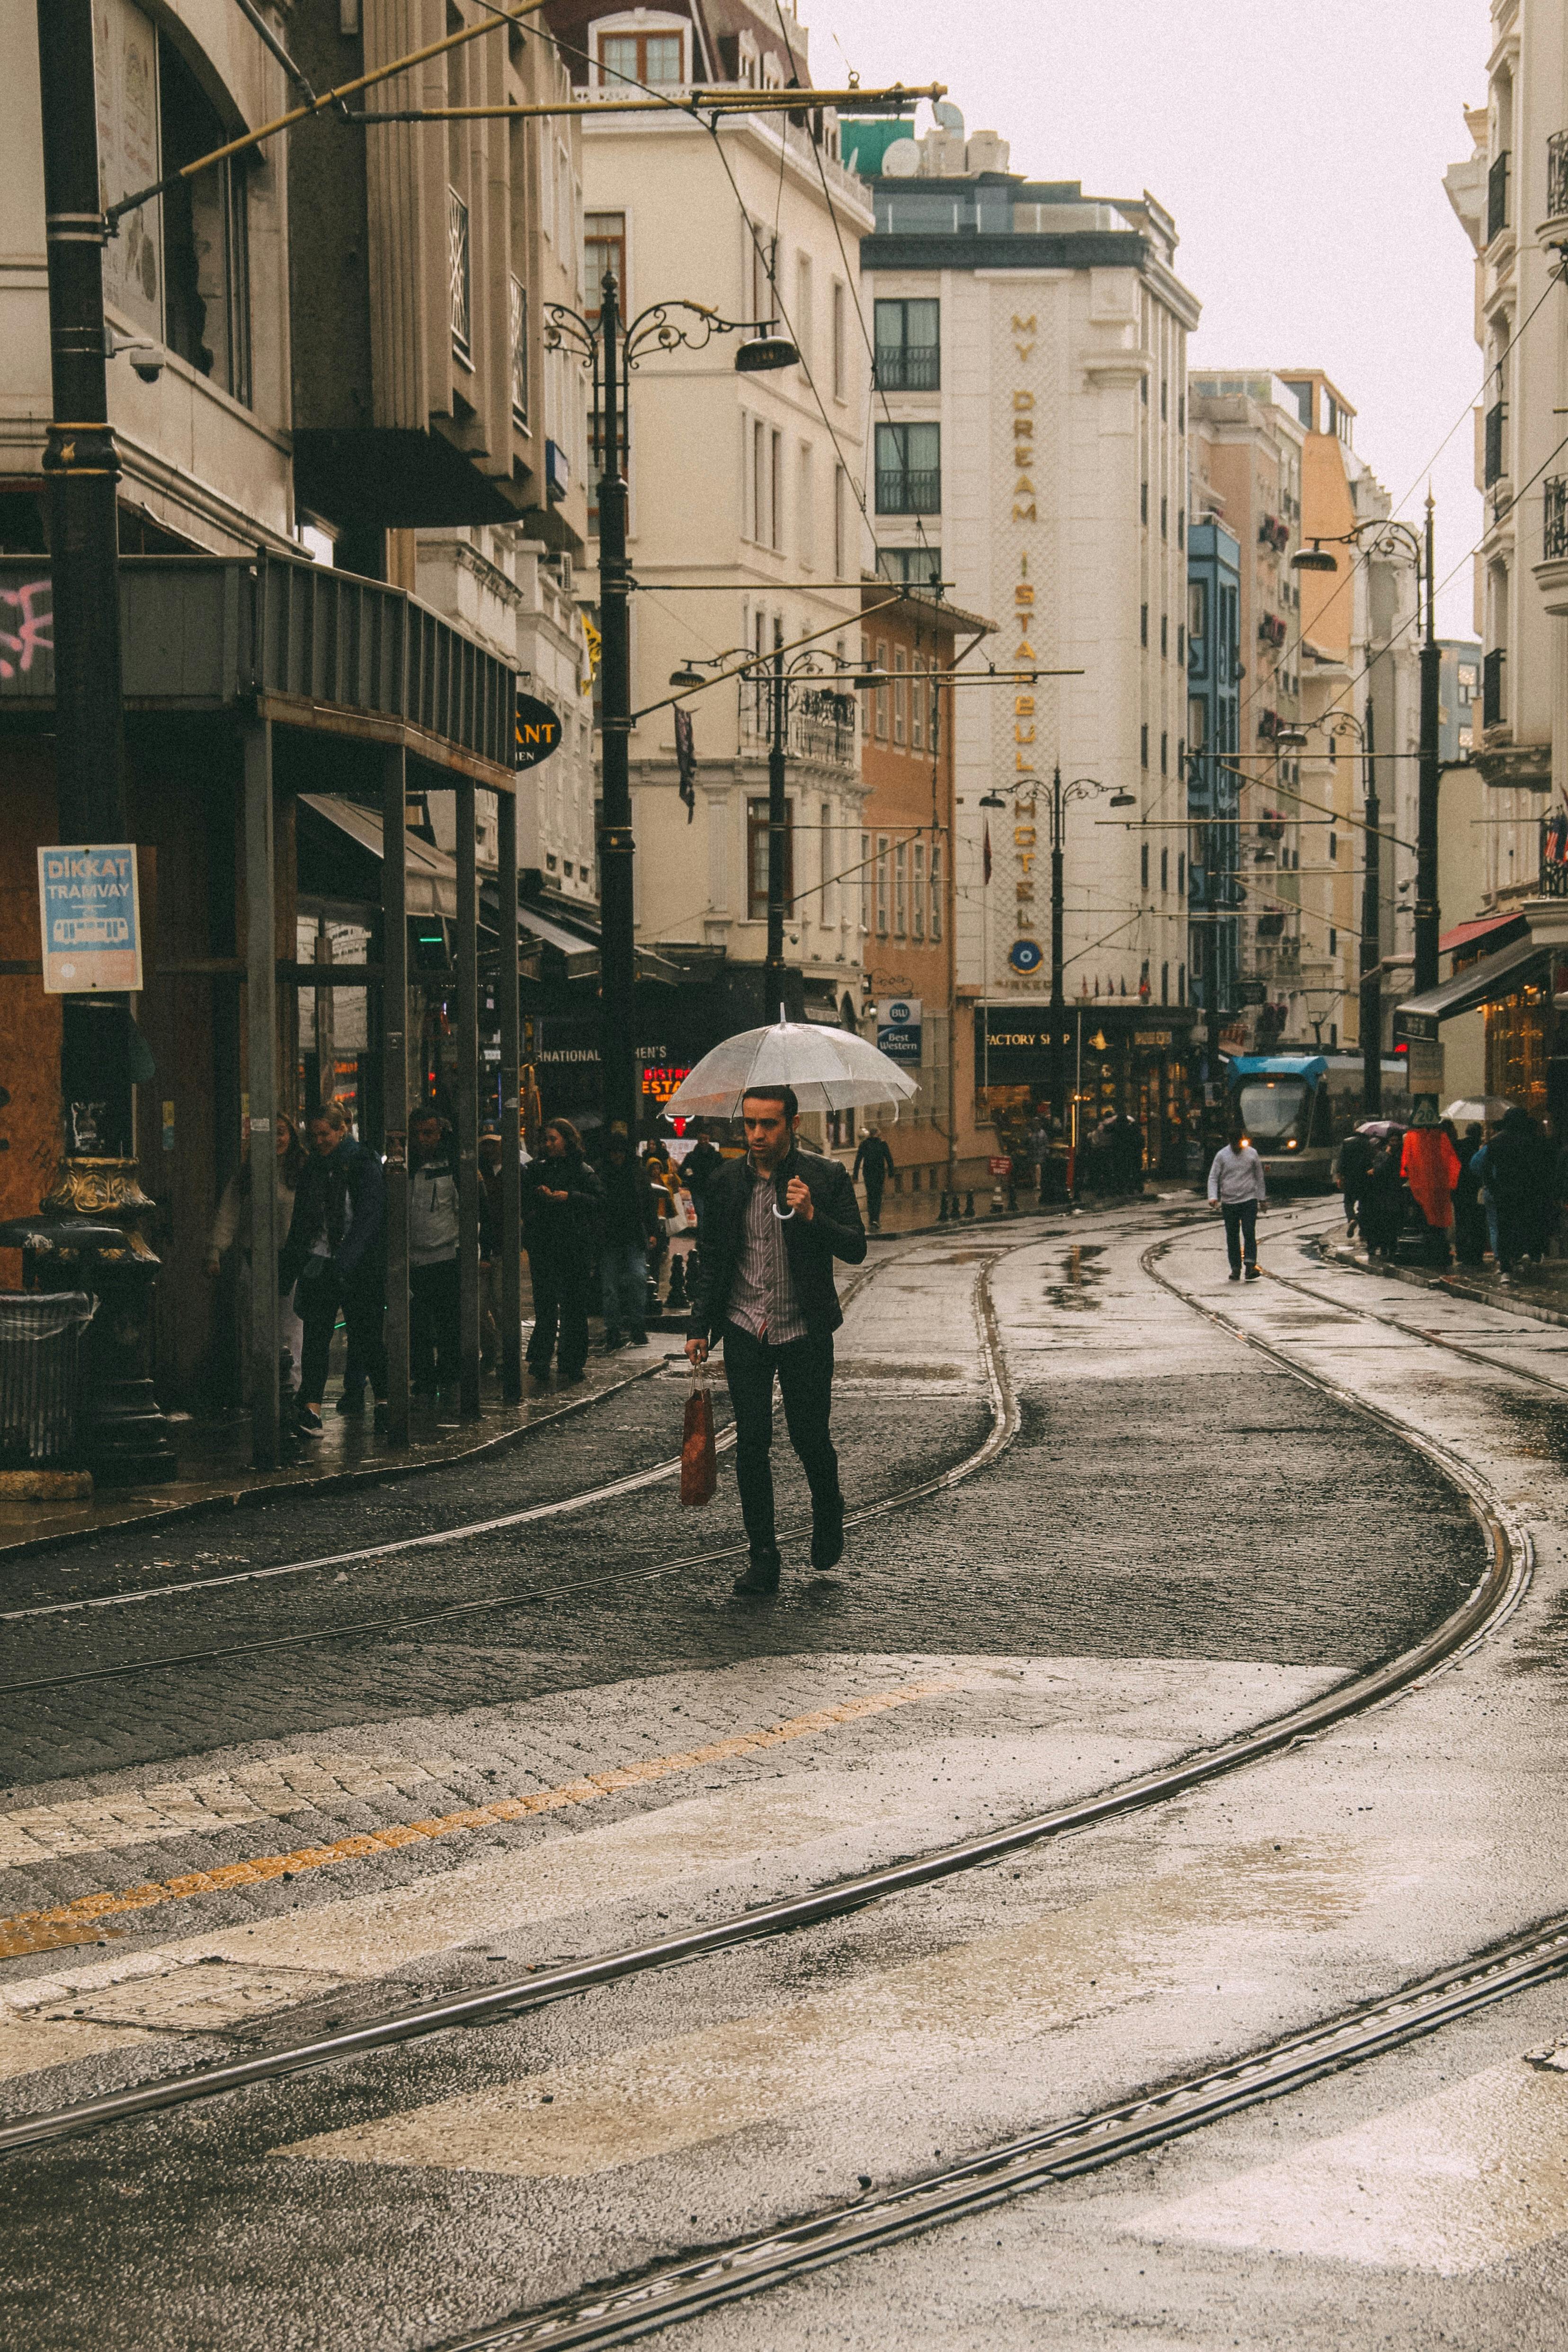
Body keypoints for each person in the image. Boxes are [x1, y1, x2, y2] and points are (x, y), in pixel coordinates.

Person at [686, 1084, 866, 1594]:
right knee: (752, 1445)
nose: (757, 1134)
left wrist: (813, 1215)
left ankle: (827, 1509)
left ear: (793, 1123)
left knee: (810, 1437)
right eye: (750, 1124)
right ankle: (763, 1555)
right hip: (746, 1327)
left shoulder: (825, 1177)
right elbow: (713, 1260)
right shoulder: (725, 1181)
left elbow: (855, 1248)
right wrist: (699, 1326)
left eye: (768, 1124)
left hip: (804, 1329)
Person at [279, 1100, 388, 1434]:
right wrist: (293, 1262)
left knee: (366, 1336)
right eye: (314, 1135)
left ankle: (385, 1399)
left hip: (357, 1265)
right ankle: (311, 1406)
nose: (319, 1141)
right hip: (321, 1261)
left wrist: (349, 1260)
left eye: (325, 1134)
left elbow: (369, 1217)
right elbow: (302, 1219)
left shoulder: (362, 1163)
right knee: (316, 1337)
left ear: (343, 1130)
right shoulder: (314, 1167)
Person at [206, 1113, 307, 1396]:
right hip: (255, 1257)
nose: (276, 1140)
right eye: (269, 1134)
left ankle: (291, 1389)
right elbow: (229, 1212)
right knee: (256, 1327)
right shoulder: (249, 1172)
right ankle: (258, 1390)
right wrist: (215, 1250)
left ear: (291, 1135)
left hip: (291, 1257)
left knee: (291, 1330)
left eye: (281, 1133)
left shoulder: (302, 1169)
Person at [521, 1118, 602, 1384]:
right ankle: (541, 1358)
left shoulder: (583, 1171)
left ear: (567, 1140)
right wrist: (539, 1196)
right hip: (543, 1245)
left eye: (553, 1139)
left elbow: (599, 1203)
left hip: (574, 1246)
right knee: (545, 1305)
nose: (548, 1144)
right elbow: (523, 1202)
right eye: (545, 1140)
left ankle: (572, 1360)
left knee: (573, 1306)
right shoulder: (535, 1169)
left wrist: (570, 1197)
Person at [407, 1109, 460, 1397]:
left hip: (445, 1253)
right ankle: (424, 1375)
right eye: (417, 1134)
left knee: (448, 1319)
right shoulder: (403, 1163)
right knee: (417, 1322)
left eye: (428, 1133)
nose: (421, 1140)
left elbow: (471, 1208)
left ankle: (450, 1371)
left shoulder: (452, 1164)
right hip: (412, 1256)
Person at [599, 1130, 659, 1349]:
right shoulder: (604, 1173)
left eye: (620, 1152)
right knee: (611, 1286)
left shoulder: (636, 1173)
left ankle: (636, 1325)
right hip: (611, 1237)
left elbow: (648, 1204)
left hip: (632, 1234)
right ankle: (614, 1329)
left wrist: (652, 1231)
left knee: (636, 1280)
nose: (617, 1156)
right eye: (614, 1152)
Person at [1477, 1104, 1544, 1282]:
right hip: (1526, 1191)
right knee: (1525, 1225)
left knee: (1504, 1228)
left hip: (1504, 1191)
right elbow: (1538, 1170)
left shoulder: (1497, 1142)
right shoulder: (1531, 1142)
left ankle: (1506, 1266)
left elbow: (1485, 1168)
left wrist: (1493, 1188)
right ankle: (1524, 1255)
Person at [1399, 1105, 1461, 1270]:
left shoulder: (1427, 1139)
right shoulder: (1440, 1139)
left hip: (1429, 1186)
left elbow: (1406, 1166)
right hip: (1439, 1187)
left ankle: (1436, 1242)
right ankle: (1440, 1244)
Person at [1206, 1120, 1266, 1281]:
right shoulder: (1222, 1156)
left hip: (1249, 1200)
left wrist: (1262, 1199)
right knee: (1232, 1236)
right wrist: (1213, 1197)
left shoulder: (1252, 1154)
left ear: (1242, 1139)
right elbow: (1214, 1177)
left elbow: (1259, 1178)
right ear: (1229, 1141)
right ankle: (1235, 1268)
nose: (1236, 1146)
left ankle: (1250, 1265)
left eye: (1238, 1142)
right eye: (1233, 1143)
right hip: (1229, 1202)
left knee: (1249, 1232)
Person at [477, 1131, 506, 1371]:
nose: (489, 1150)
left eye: (493, 1144)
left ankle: (502, 1353)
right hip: (485, 1247)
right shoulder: (478, 1174)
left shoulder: (513, 1171)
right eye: (485, 1145)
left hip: (502, 1248)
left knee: (500, 1304)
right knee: (479, 1307)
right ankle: (492, 1352)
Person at [1360, 1128, 1408, 1261]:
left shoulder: (1402, 1155)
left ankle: (1391, 1247)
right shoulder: (1382, 1155)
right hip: (1382, 1193)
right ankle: (1383, 1247)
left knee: (1393, 1222)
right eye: (1392, 1140)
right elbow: (1378, 1171)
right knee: (1384, 1221)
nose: (1394, 1143)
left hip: (1396, 1192)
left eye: (1397, 1140)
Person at [1452, 1123, 1488, 1268]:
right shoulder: (1480, 1148)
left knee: (1462, 1222)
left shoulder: (1457, 1146)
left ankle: (1462, 1253)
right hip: (1476, 1190)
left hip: (1460, 1190)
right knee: (1477, 1222)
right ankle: (1476, 1254)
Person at [681, 1121, 722, 1242]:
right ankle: (703, 1238)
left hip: (712, 1190)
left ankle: (707, 1237)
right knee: (701, 1213)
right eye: (701, 1139)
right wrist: (691, 1176)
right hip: (698, 1189)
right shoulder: (692, 1156)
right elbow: (683, 1169)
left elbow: (722, 1171)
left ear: (709, 1139)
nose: (703, 1141)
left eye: (705, 1139)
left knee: (710, 1213)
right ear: (698, 1140)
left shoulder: (716, 1156)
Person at [1334, 1125, 1375, 1241]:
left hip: (1350, 1179)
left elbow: (1341, 1162)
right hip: (1366, 1179)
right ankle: (1363, 1233)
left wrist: (1340, 1177)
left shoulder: (1347, 1142)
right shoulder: (1369, 1143)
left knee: (1348, 1202)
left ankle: (1352, 1219)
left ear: (1356, 1129)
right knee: (1364, 1206)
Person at [853, 1128, 895, 1231]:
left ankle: (872, 1219)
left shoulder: (864, 1144)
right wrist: (891, 1173)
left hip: (868, 1174)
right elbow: (889, 1159)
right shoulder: (882, 1144)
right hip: (879, 1174)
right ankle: (876, 1219)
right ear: (878, 1134)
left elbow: (858, 1160)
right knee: (878, 1196)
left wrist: (855, 1175)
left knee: (870, 1195)